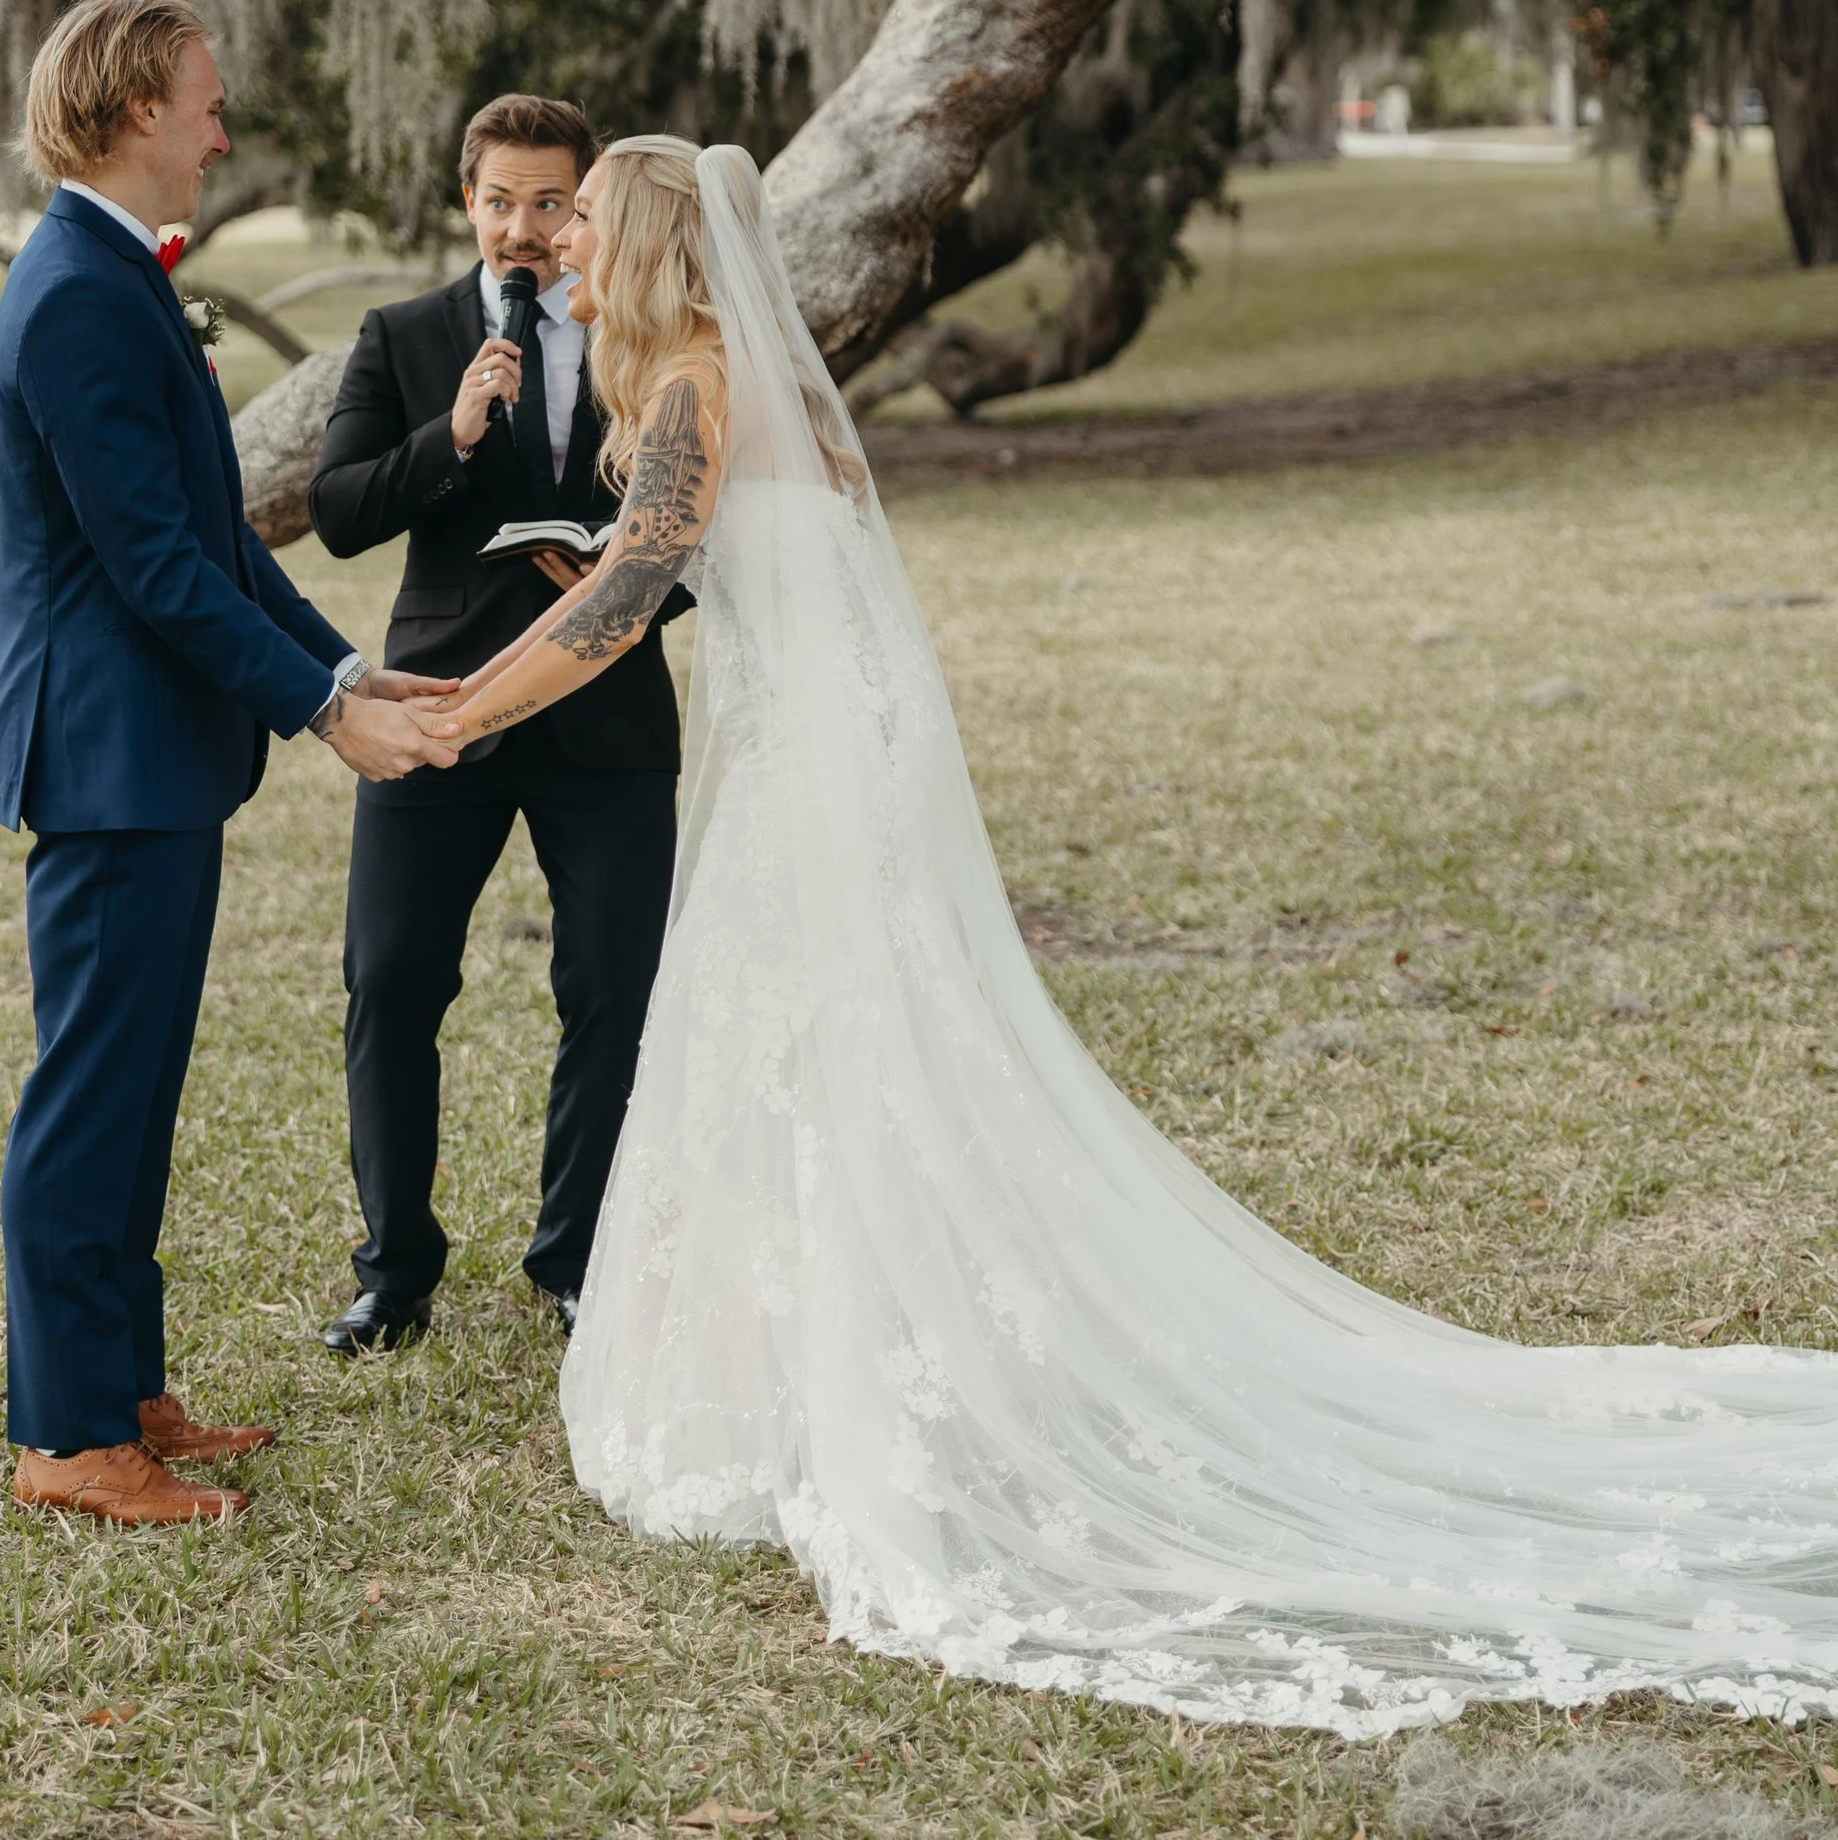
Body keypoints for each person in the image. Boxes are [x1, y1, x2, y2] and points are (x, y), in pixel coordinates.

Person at [446, 136, 1838, 1734]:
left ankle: (814, 1401)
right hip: (844, 747)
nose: (572, 255)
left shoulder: (693, 383)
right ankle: (839, 1367)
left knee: (810, 1046)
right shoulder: (758, 384)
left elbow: (627, 598)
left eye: (595, 231)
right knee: (848, 1050)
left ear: (657, 251)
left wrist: (461, 713)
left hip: (809, 773)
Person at [0, 0, 460, 1528]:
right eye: (203, 100)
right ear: (132, 108)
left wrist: (337, 662)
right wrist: (325, 719)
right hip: (109, 758)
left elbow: (216, 536)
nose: (222, 128)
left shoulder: (120, 278)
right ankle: (66, 1436)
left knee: (135, 1093)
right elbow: (152, 569)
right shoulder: (73, 293)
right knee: (90, 1097)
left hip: (158, 755)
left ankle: (124, 1389)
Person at [307, 94, 686, 1351]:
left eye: (549, 203)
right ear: (464, 203)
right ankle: (394, 1269)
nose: (523, 229)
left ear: (585, 208)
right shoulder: (402, 334)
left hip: (607, 718)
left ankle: (576, 1257)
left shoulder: (644, 332)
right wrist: (452, 434)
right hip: (439, 712)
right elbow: (341, 510)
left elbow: (698, 522)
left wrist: (631, 588)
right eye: (499, 201)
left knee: (608, 990)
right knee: (392, 982)